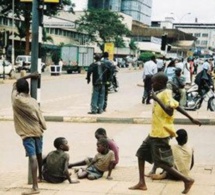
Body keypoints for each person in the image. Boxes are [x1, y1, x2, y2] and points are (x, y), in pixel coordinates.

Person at [129, 72, 201, 194]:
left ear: (161, 83)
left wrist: (156, 99)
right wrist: (191, 118)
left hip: (161, 134)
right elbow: (177, 106)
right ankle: (142, 182)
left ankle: (187, 180)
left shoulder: (165, 93)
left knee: (162, 163)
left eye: (154, 82)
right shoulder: (163, 93)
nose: (152, 84)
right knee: (141, 154)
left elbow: (170, 112)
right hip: (154, 133)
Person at [11, 72, 47, 195]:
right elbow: (41, 118)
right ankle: (40, 177)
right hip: (37, 130)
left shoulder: (15, 100)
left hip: (26, 133)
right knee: (39, 154)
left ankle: (35, 187)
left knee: (32, 156)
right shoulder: (33, 102)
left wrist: (29, 75)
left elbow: (15, 83)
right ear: (28, 89)